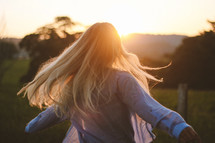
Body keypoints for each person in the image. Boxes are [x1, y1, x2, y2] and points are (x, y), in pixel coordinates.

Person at [18, 22, 201, 143]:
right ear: (115, 47)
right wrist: (178, 126)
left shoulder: (76, 85)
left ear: (83, 48)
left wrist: (29, 127)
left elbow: (51, 114)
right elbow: (149, 108)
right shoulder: (121, 79)